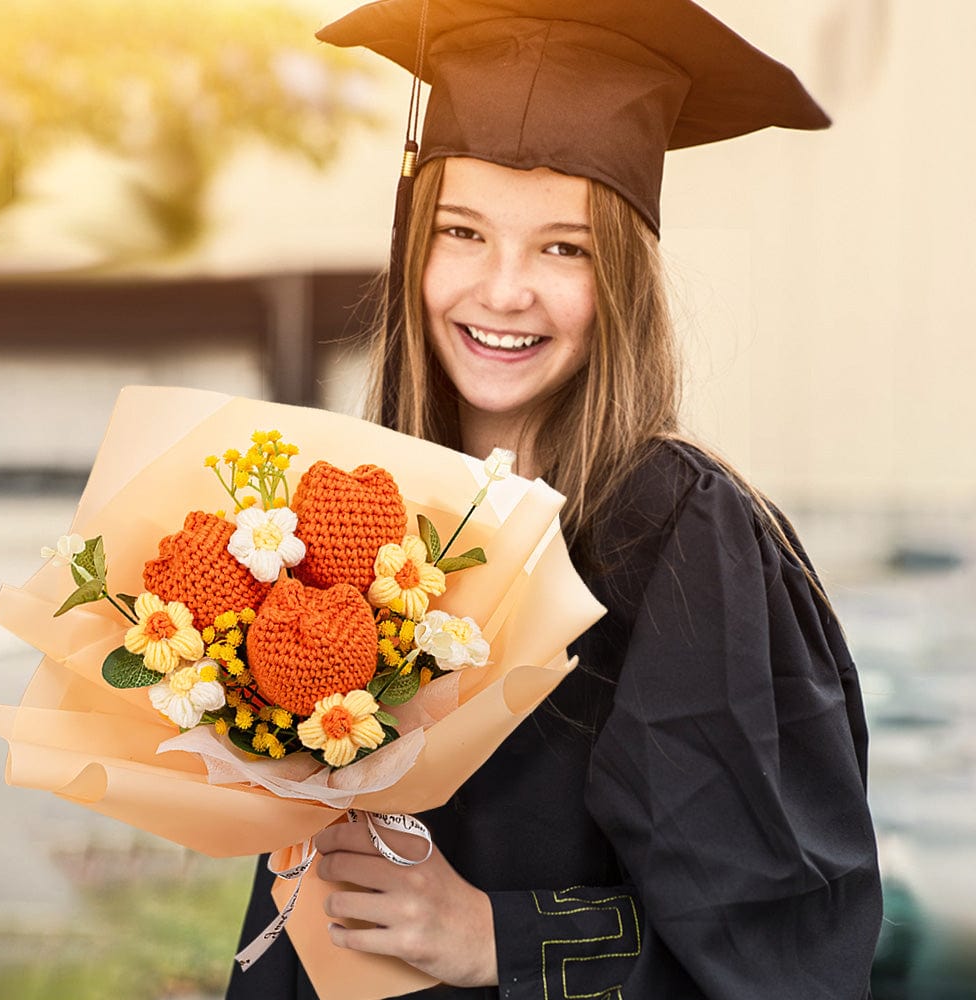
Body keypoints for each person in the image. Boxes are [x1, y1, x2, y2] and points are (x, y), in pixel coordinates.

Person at [226, 1, 883, 997]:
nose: (502, 290)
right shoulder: (356, 519)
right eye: (463, 232)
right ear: (414, 248)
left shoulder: (680, 533)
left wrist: (501, 937)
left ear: (619, 278)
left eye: (562, 248)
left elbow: (780, 934)